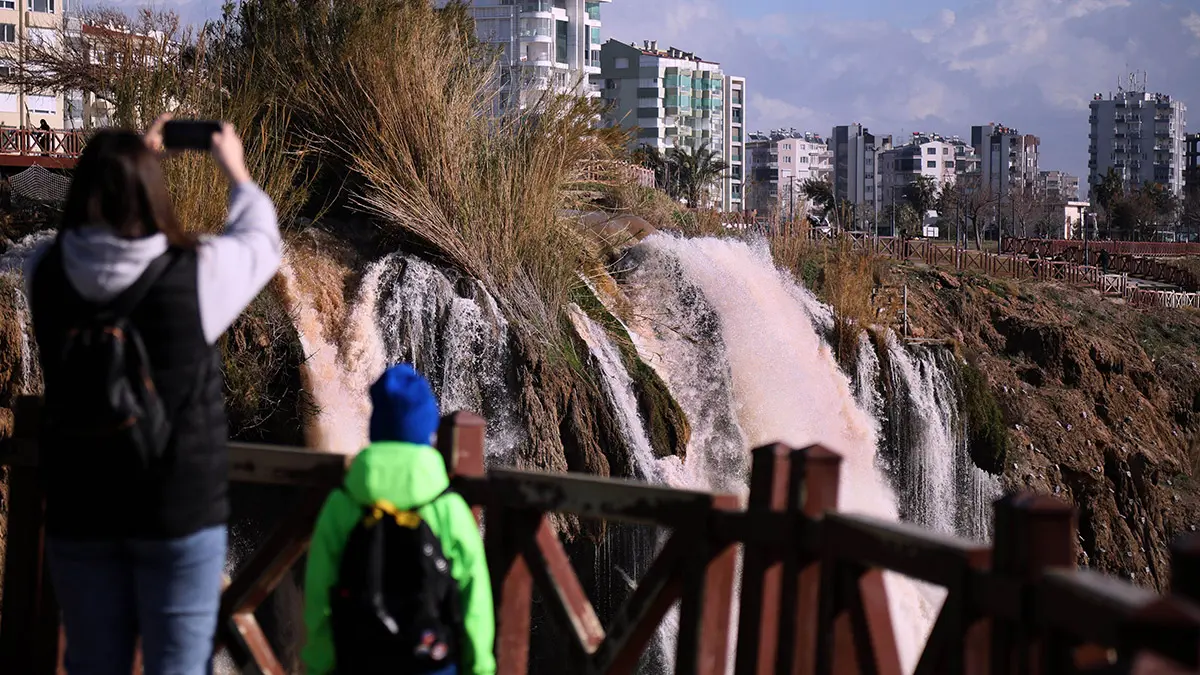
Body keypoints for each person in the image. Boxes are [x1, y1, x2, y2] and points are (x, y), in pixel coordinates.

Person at [24, 116, 281, 675]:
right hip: (177, 512)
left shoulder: (44, 273)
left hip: (80, 508)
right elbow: (262, 240)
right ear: (152, 192)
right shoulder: (197, 274)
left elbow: (89, 251)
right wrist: (231, 167)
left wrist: (121, 163)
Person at [303, 365, 495, 675]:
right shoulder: (447, 507)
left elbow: (318, 592)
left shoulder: (343, 502)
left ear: (376, 426)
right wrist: (480, 667)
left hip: (359, 660)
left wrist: (320, 664)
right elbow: (475, 597)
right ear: (427, 430)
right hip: (431, 660)